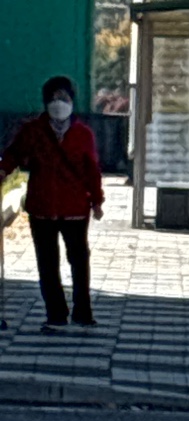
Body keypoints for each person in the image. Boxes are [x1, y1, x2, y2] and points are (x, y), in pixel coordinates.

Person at [0, 76, 104, 332]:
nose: (59, 104)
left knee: (79, 261)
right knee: (47, 263)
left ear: (72, 101)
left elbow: (92, 170)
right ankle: (56, 313)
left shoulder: (83, 134)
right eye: (54, 99)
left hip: (75, 209)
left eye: (64, 98)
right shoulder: (33, 131)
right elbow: (13, 154)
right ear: (46, 102)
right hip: (42, 207)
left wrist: (97, 200)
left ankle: (82, 311)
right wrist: (3, 171)